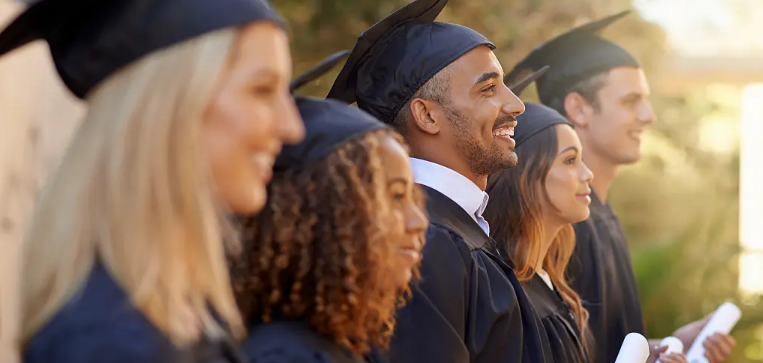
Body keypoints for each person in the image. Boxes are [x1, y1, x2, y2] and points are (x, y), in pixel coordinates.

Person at [0, 0, 304, 361]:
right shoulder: (111, 342)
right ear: (169, 107)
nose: (292, 127)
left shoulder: (178, 314)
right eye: (262, 90)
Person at [504, 10, 736, 363]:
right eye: (631, 101)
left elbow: (600, 346)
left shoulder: (599, 213)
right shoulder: (565, 224)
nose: (649, 115)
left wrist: (672, 344)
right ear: (578, 108)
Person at [328, 0, 551, 362]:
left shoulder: (459, 228)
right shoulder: (425, 240)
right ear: (427, 116)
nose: (516, 104)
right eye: (487, 89)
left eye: (505, 86)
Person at [484, 101, 690, 363]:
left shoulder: (551, 285)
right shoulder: (505, 295)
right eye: (570, 160)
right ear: (526, 177)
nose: (588, 174)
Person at [230, 94, 428, 363]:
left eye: (411, 197)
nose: (419, 221)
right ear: (322, 216)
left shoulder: (349, 344)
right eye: (394, 197)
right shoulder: (284, 357)